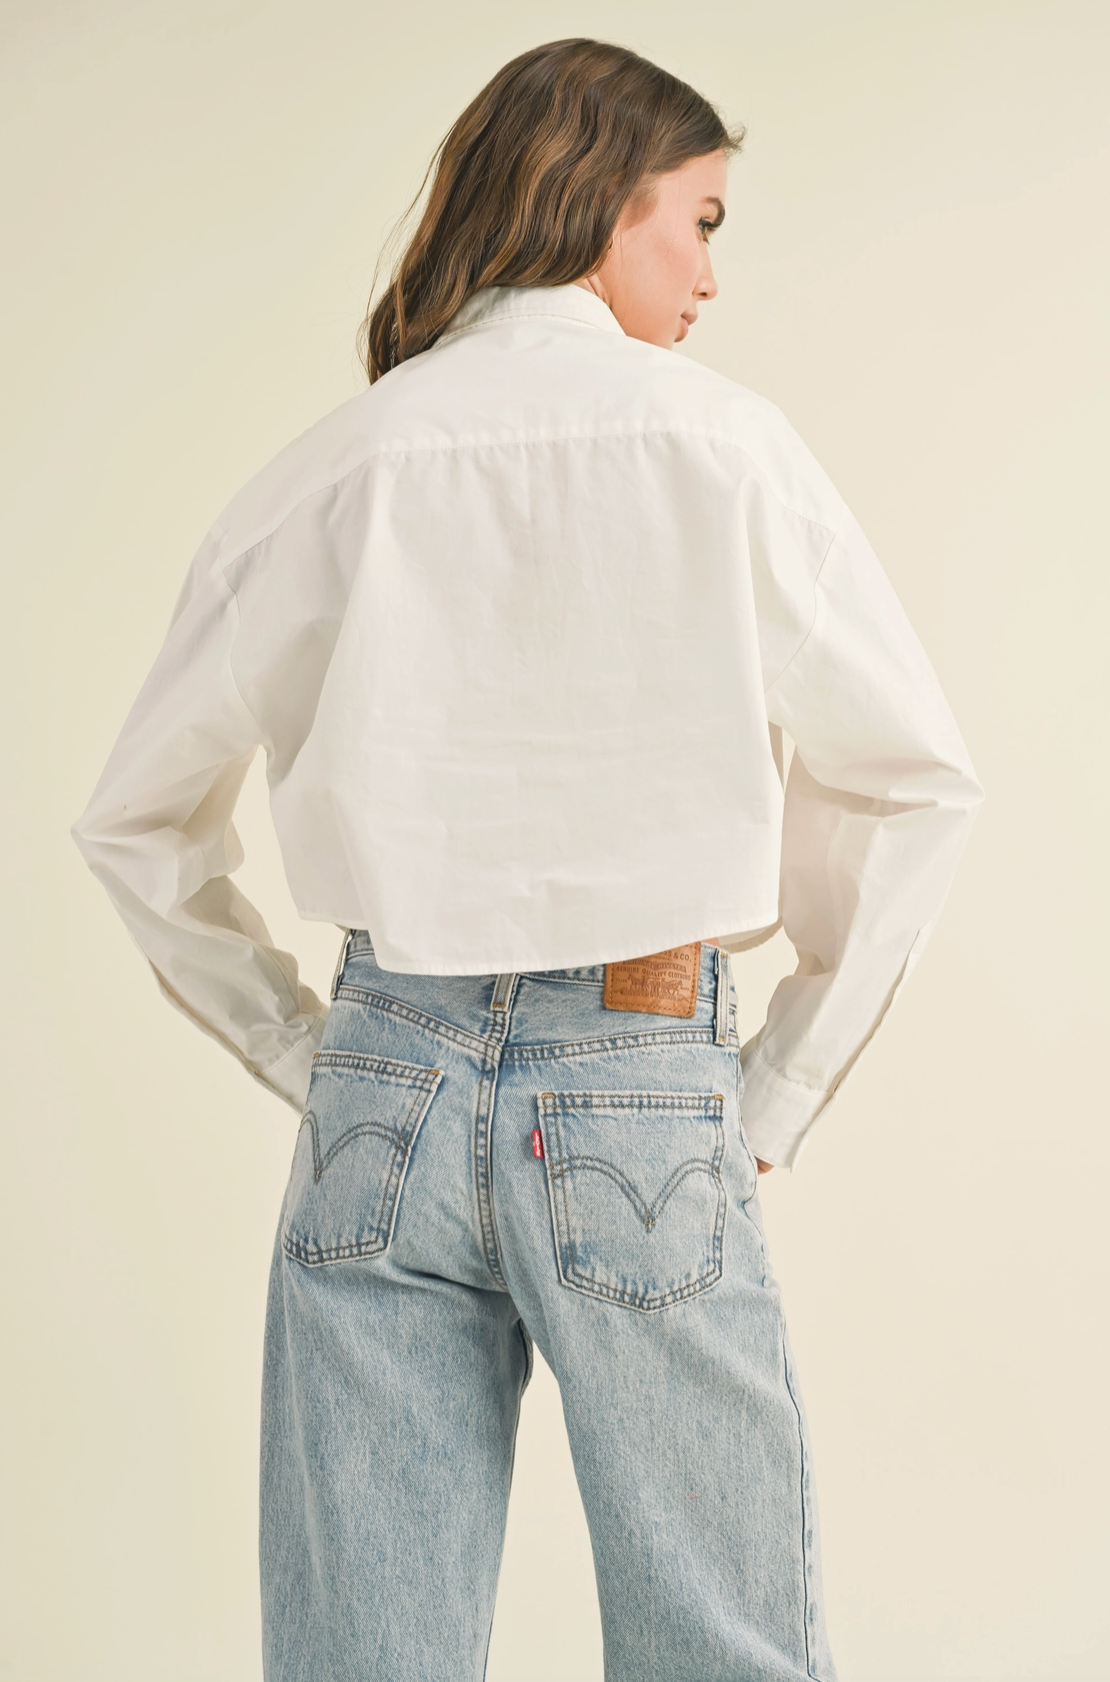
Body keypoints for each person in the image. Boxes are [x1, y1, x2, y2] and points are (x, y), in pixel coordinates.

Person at [72, 37, 982, 1682]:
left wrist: (304, 1047)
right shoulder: (724, 448)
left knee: (362, 1654)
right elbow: (912, 779)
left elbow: (133, 816)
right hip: (641, 1070)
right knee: (717, 1645)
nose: (709, 273)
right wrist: (770, 1088)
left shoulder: (337, 465)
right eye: (698, 220)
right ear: (603, 198)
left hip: (383, 1081)